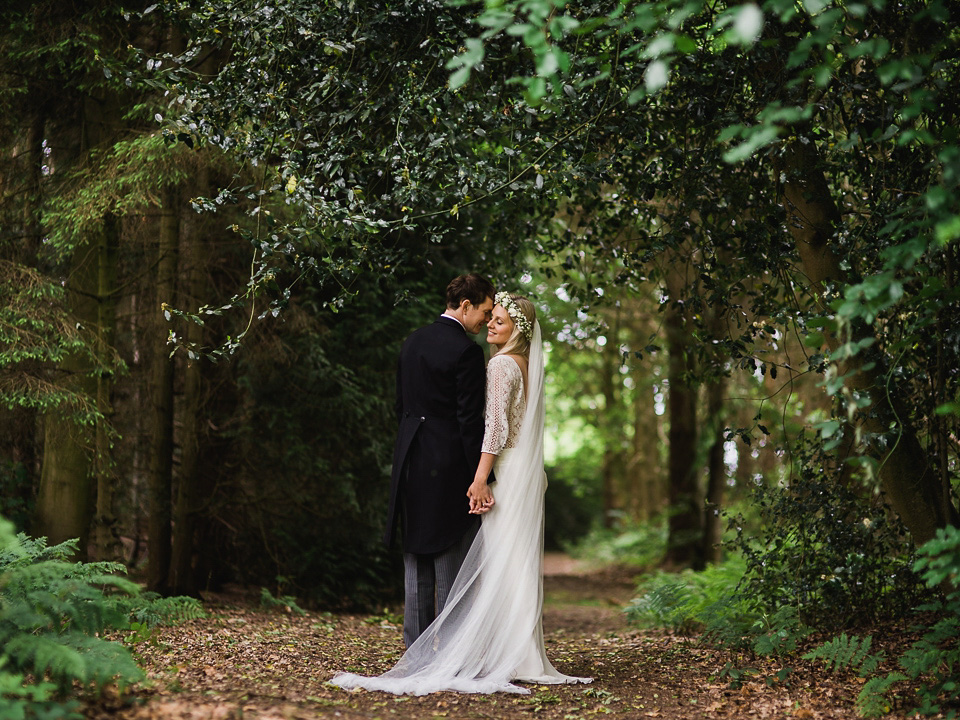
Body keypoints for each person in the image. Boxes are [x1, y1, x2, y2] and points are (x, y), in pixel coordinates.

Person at [332, 292, 593, 695]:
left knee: (498, 564)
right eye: (491, 317)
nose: (491, 324)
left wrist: (479, 479)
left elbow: (494, 429)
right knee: (510, 564)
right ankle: (518, 652)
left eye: (500, 320)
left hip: (502, 468)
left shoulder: (502, 365)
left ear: (517, 331)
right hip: (521, 469)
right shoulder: (520, 362)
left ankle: (490, 652)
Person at [383, 274, 496, 649]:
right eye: (484, 311)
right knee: (450, 555)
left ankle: (415, 652)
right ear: (465, 305)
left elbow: (401, 408)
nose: (486, 319)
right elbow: (469, 421)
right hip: (448, 464)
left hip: (410, 458)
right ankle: (451, 653)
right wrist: (481, 478)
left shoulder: (412, 342)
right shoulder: (466, 351)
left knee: (416, 553)